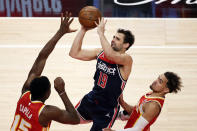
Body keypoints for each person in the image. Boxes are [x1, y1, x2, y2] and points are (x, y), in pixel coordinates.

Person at [10, 12, 80, 131]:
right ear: (47, 94)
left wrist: (60, 32)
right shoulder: (46, 112)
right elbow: (75, 119)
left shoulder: (24, 94)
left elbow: (41, 58)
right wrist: (62, 92)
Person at [69, 18, 135, 131]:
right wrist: (83, 30)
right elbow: (74, 53)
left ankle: (117, 115)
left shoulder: (126, 60)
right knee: (69, 118)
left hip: (107, 109)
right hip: (91, 99)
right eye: (113, 37)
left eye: (117, 39)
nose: (113, 40)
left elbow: (111, 56)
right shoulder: (100, 52)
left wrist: (100, 33)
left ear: (126, 45)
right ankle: (120, 115)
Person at [103, 71, 182, 131]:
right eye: (158, 78)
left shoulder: (153, 106)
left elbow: (138, 129)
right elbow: (136, 111)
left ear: (166, 89)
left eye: (160, 82)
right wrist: (121, 104)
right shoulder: (151, 94)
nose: (155, 81)